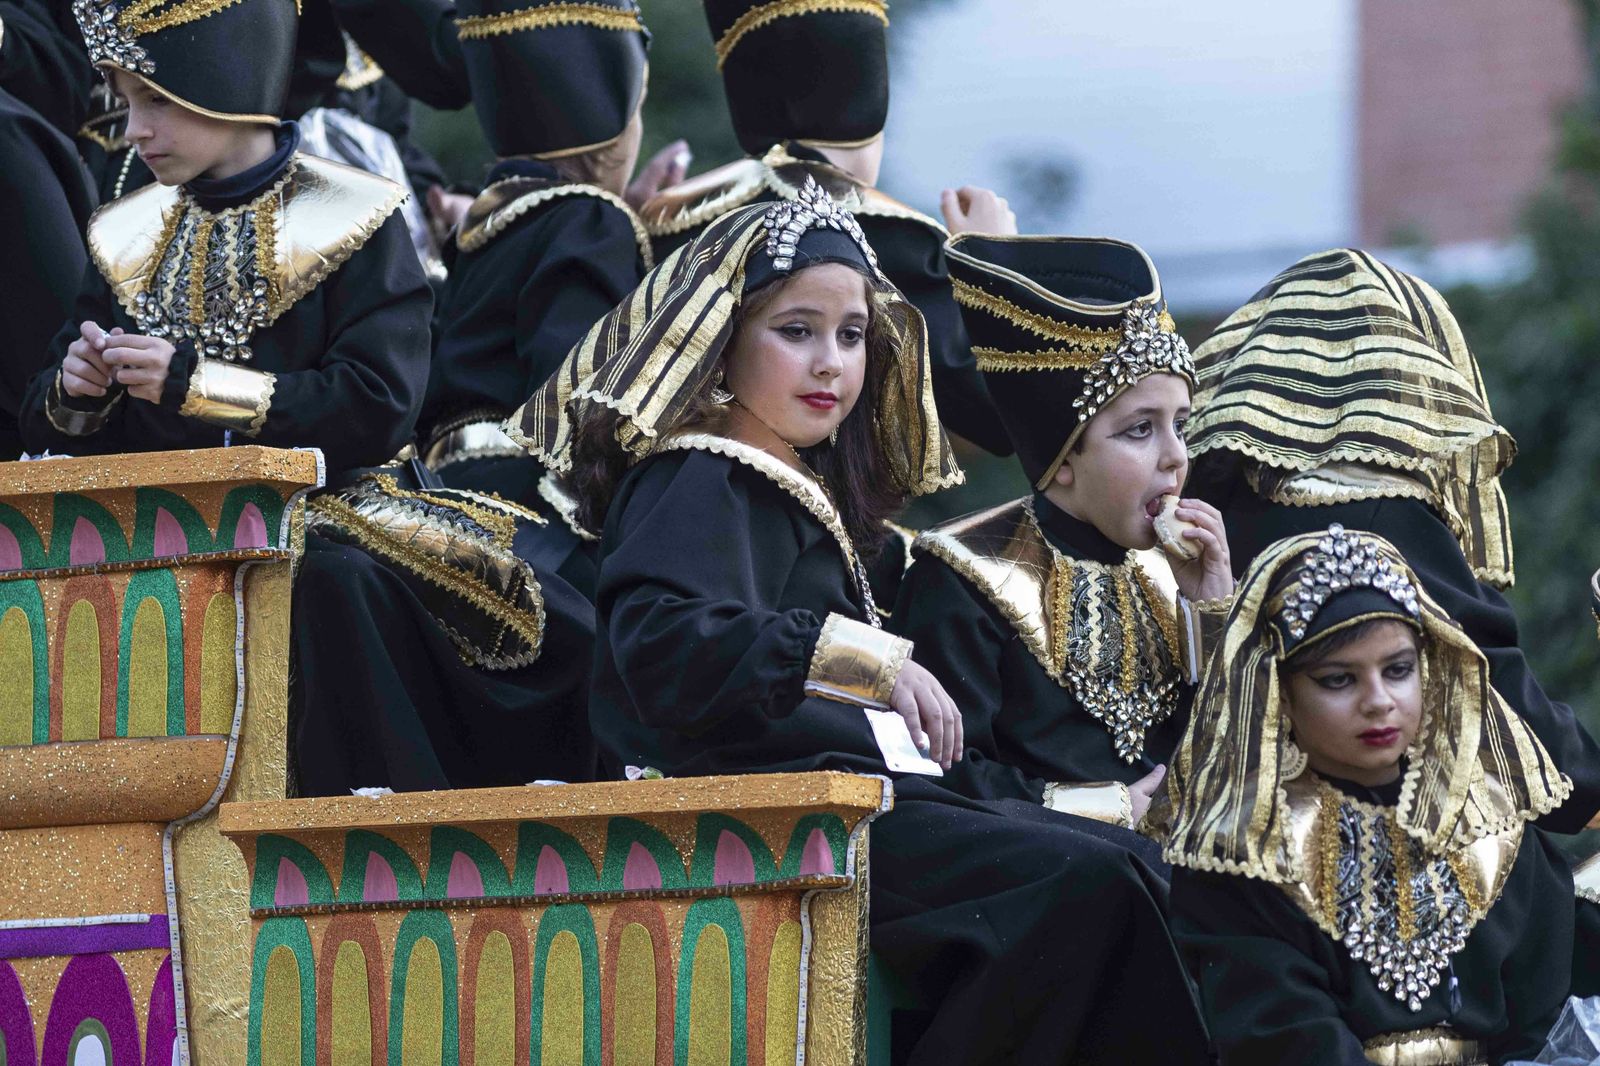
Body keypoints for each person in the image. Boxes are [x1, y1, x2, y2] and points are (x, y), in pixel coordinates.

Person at [511, 181, 1212, 1066]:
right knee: (1090, 879)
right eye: (796, 331)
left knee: (1131, 863)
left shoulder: (784, 484)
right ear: (723, 340)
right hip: (763, 820)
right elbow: (658, 642)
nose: (831, 364)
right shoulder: (699, 473)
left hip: (843, 806)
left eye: (851, 336)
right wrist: (862, 656)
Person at [24, 0, 594, 794]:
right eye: (124, 103)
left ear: (224, 78)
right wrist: (77, 390)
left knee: (332, 586)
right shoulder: (123, 233)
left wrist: (197, 386)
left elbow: (377, 403)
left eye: (154, 99)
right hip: (166, 523)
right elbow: (52, 407)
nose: (134, 131)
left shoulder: (356, 216)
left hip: (335, 510)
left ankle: (364, 831)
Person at [1186, 248, 1600, 834]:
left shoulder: (1213, 500)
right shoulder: (1388, 509)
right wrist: (1590, 783)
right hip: (1381, 828)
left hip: (1229, 820)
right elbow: (1487, 683)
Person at [1165, 525, 1574, 1065]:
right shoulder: (1247, 856)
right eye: (1339, 679)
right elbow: (1288, 1042)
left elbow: (1544, 1029)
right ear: (1278, 691)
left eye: (1398, 670)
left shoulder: (1495, 829)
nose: (1379, 701)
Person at [891, 234, 1234, 831]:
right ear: (1063, 455)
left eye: (1180, 425)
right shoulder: (963, 577)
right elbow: (936, 773)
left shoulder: (1176, 576)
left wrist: (1212, 616)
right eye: (1140, 429)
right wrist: (1108, 810)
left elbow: (1237, 765)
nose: (1176, 456)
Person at [638, 0, 1014, 458]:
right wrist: (994, 264)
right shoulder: (897, 236)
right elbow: (999, 418)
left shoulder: (669, 214)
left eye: (850, 336)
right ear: (869, 104)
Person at [421, 0, 657, 594]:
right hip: (531, 514)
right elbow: (583, 407)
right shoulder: (590, 219)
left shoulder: (483, 225)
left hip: (442, 493)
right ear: (609, 126)